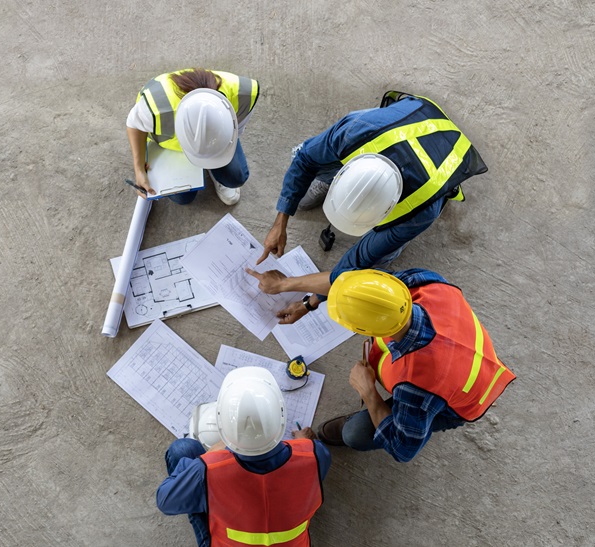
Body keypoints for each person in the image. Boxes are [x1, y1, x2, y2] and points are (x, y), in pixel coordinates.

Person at [256, 91, 488, 323]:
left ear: (387, 209)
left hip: (440, 152)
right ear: (346, 173)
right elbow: (305, 160)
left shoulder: (417, 213)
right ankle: (327, 176)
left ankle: (391, 248)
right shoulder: (355, 132)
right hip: (400, 123)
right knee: (307, 153)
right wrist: (281, 221)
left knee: (379, 256)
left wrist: (302, 298)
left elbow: (351, 267)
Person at [315, 268, 516, 463]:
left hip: (461, 400)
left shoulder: (417, 383)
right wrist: (296, 293)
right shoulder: (425, 283)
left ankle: (426, 417)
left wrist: (369, 393)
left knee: (355, 434)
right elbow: (359, 290)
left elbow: (403, 449)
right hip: (469, 362)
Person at [156, 367, 330, 547]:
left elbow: (165, 501)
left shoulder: (207, 471)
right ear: (281, 418)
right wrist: (304, 444)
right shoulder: (315, 454)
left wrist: (210, 456)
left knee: (182, 449)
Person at [126, 68, 259, 206]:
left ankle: (215, 171)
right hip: (168, 147)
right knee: (182, 198)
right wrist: (139, 169)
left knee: (236, 177)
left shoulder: (243, 95)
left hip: (217, 143)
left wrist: (215, 149)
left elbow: (238, 131)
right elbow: (133, 124)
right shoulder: (156, 109)